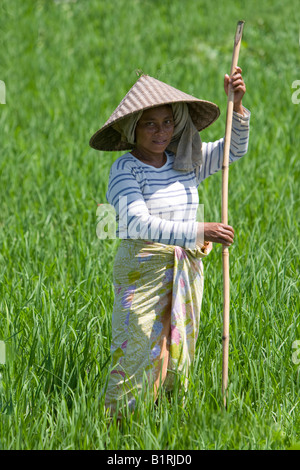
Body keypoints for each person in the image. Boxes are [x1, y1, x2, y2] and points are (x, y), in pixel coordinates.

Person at [89, 68, 250, 418]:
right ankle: (119, 426)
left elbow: (231, 151)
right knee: (136, 348)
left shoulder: (186, 161)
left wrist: (237, 107)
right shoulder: (125, 170)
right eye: (150, 124)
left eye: (166, 122)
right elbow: (136, 222)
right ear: (133, 129)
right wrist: (198, 230)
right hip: (142, 271)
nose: (160, 132)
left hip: (184, 267)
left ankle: (164, 420)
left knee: (174, 348)